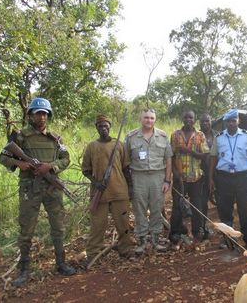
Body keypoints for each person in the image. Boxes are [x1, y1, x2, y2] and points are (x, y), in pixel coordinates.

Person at [0, 98, 76, 287]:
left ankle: (61, 263)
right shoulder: (20, 136)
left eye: (44, 113)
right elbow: (3, 157)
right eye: (38, 113)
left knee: (58, 227)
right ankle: (24, 270)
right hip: (29, 189)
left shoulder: (56, 138)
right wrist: (21, 164)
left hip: (51, 187)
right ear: (30, 115)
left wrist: (51, 166)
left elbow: (66, 159)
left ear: (48, 116)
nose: (41, 117)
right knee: (26, 230)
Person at [82, 115, 134, 261]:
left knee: (123, 223)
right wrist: (96, 182)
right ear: (96, 128)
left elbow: (126, 168)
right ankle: (93, 253)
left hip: (119, 191)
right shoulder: (92, 147)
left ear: (110, 127)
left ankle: (125, 249)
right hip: (100, 192)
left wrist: (130, 187)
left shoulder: (119, 145)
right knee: (98, 224)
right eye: (100, 126)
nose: (103, 129)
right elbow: (85, 170)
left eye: (106, 126)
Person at [209, 109, 247, 250]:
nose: (231, 123)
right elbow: (213, 158)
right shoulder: (219, 138)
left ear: (238, 121)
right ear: (225, 122)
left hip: (242, 177)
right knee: (225, 209)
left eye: (234, 120)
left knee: (246, 209)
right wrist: (211, 178)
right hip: (224, 178)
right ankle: (228, 239)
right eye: (229, 121)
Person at [125, 108, 172, 253]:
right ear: (141, 119)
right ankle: (142, 242)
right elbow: (125, 162)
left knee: (157, 209)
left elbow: (168, 159)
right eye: (146, 117)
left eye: (152, 118)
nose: (149, 120)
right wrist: (129, 184)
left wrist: (167, 181)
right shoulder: (131, 137)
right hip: (139, 177)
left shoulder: (163, 136)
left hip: (158, 177)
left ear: (155, 120)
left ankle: (156, 240)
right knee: (140, 210)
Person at [169, 111, 209, 247]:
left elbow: (204, 156)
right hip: (179, 178)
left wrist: (188, 151)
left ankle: (197, 232)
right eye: (185, 117)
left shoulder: (200, 135)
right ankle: (176, 233)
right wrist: (175, 174)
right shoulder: (175, 135)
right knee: (177, 206)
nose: (188, 120)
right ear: (182, 119)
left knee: (196, 205)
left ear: (194, 119)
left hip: (196, 177)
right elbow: (172, 156)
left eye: (190, 117)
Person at [199, 113, 219, 238]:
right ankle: (203, 228)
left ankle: (225, 231)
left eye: (207, 121)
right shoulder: (196, 136)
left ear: (211, 122)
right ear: (199, 123)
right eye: (202, 121)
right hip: (201, 173)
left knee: (221, 202)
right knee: (202, 202)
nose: (205, 123)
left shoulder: (218, 135)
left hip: (219, 173)